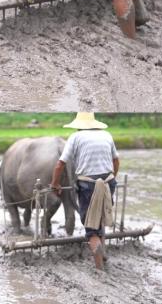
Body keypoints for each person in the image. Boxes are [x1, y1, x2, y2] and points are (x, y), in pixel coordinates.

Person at [51, 112, 119, 270]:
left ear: (79, 125)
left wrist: (55, 183)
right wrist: (111, 179)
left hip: (88, 185)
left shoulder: (76, 138)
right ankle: (103, 252)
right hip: (108, 182)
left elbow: (60, 164)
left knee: (91, 228)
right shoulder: (107, 135)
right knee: (100, 218)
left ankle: (99, 267)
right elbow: (116, 161)